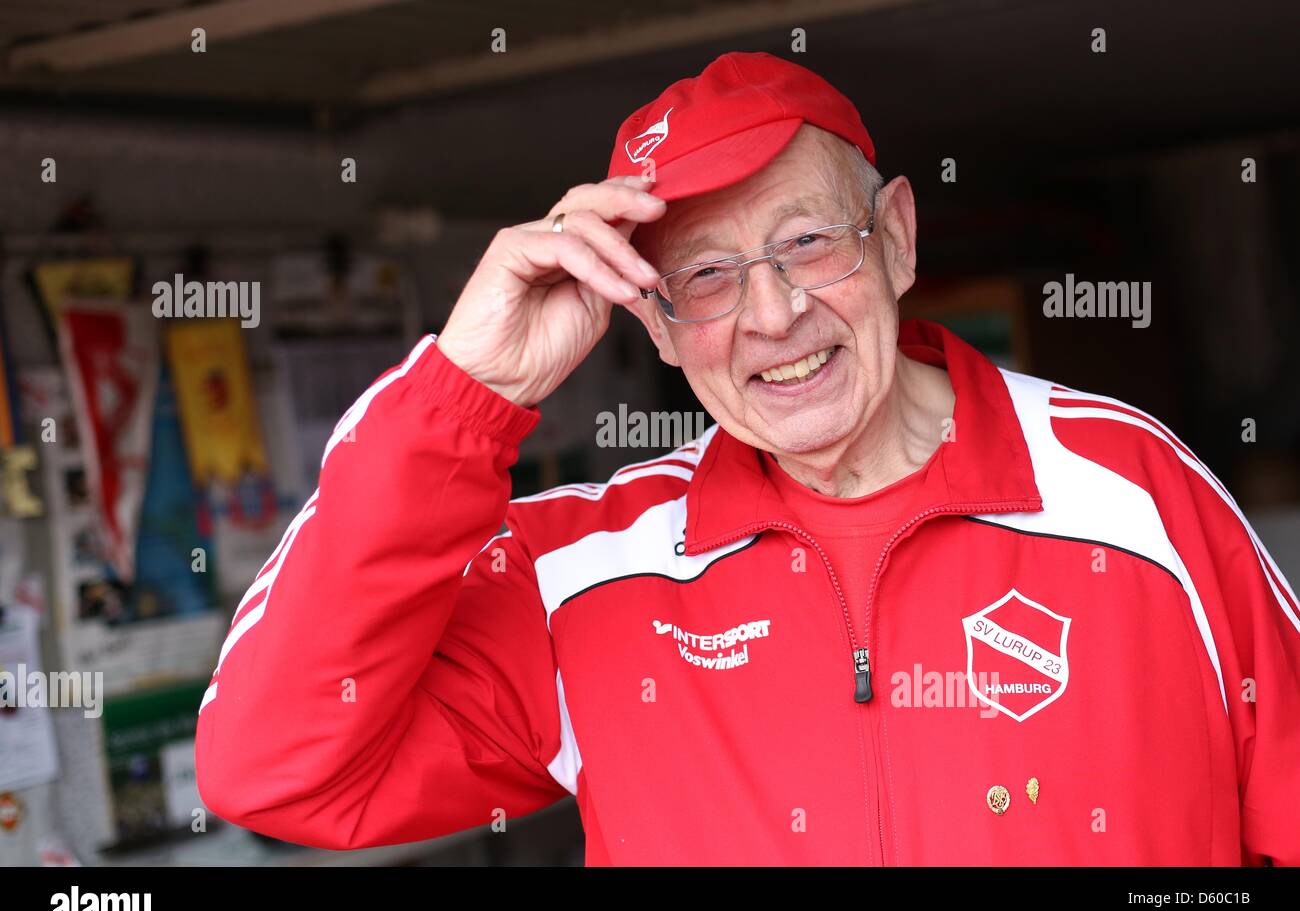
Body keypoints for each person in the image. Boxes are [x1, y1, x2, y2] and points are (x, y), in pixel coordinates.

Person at [195, 51, 1300, 865]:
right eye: (707, 276)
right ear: (658, 325)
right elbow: (277, 767)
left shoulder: (1127, 494)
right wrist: (465, 396)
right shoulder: (587, 573)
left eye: (806, 243)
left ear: (898, 238)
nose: (771, 313)